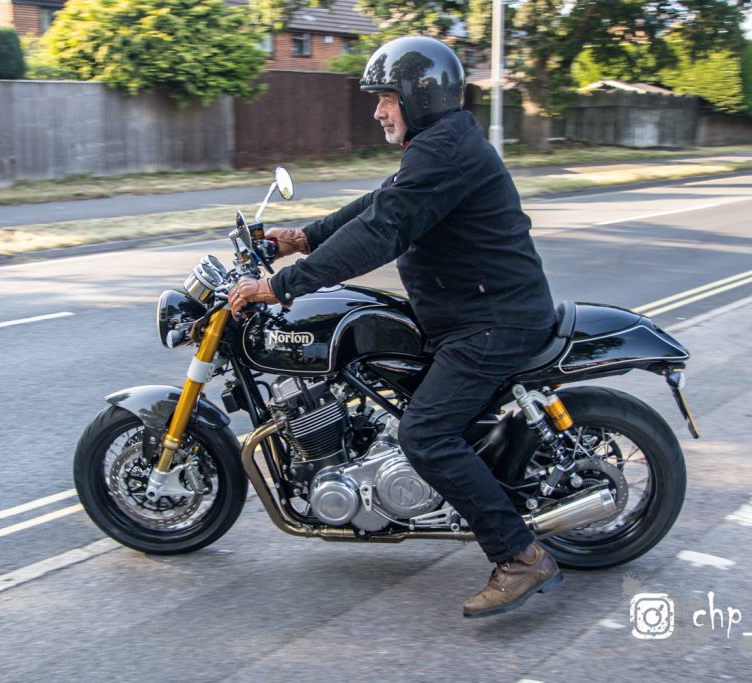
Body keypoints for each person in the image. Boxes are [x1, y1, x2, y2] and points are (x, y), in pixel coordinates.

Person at [228, 36, 563, 618]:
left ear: (419, 96)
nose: (378, 110)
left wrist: (283, 286)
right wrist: (303, 237)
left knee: (425, 434)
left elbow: (383, 231)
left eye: (386, 97)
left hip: (491, 322)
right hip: (470, 313)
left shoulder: (446, 152)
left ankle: (520, 556)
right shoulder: (440, 147)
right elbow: (378, 204)